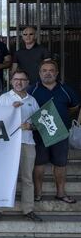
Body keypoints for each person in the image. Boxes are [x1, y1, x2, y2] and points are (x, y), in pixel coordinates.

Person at [28, 60, 80, 204]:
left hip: (61, 134)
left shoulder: (66, 90)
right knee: (39, 164)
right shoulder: (32, 90)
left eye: (51, 70)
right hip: (39, 134)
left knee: (60, 164)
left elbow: (74, 107)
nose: (48, 73)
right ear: (39, 73)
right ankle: (37, 194)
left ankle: (61, 193)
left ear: (56, 73)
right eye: (44, 70)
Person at [0, 70, 42, 222]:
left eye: (22, 79)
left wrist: (30, 126)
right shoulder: (4, 98)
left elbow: (39, 123)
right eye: (16, 79)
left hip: (27, 142)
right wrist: (11, 109)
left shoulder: (32, 100)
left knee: (27, 178)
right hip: (8, 145)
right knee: (6, 177)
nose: (19, 82)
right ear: (11, 81)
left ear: (28, 82)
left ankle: (28, 209)